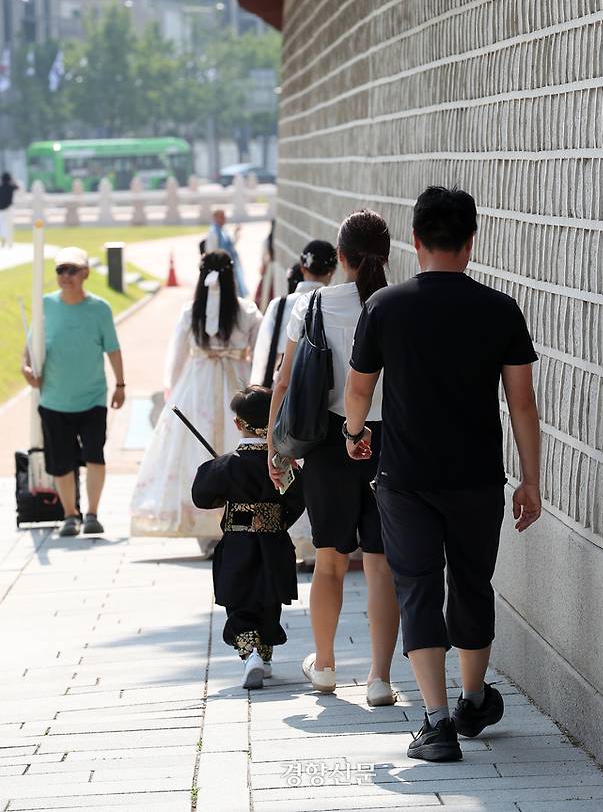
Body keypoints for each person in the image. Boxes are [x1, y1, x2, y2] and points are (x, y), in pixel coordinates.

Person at [344, 186, 541, 763]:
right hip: (479, 476)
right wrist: (530, 478)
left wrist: (355, 436)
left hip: (405, 477)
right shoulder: (499, 309)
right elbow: (522, 403)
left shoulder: (385, 306)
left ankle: (436, 721)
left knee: (419, 587)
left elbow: (359, 388)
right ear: (471, 241)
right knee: (473, 583)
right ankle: (474, 699)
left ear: (415, 240)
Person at [268, 210, 400, 707]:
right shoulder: (396, 304)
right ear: (386, 255)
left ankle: (324, 665)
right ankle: (380, 678)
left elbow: (284, 380)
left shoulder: (314, 304)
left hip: (328, 442)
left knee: (329, 560)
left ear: (340, 257)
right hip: (389, 441)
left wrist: (275, 448)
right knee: (382, 564)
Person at [130, 251, 262, 551]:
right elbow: (260, 354)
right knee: (237, 446)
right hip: (236, 380)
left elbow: (176, 358)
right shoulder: (247, 312)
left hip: (197, 383)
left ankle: (204, 528)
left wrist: (171, 391)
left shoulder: (191, 313)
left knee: (194, 450)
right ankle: (240, 519)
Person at [192, 386, 305, 689]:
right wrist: (275, 522)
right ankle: (265, 657)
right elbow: (297, 501)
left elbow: (202, 496)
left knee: (240, 602)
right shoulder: (283, 466)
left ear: (238, 424)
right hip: (274, 544)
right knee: (269, 602)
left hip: (238, 544)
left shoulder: (227, 465)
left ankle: (250, 655)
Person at [21, 246, 125, 537]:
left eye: (71, 270)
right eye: (60, 270)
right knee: (61, 461)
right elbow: (30, 348)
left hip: (92, 398)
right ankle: (70, 515)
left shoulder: (100, 309)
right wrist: (26, 370)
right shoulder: (46, 305)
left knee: (95, 455)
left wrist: (120, 385)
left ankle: (92, 513)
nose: (65, 276)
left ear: (85, 273)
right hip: (54, 399)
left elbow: (113, 350)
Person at [250, 240, 337, 388]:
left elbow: (262, 355)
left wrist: (256, 386)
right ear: (333, 271)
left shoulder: (279, 305)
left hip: (281, 389)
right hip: (322, 393)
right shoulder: (335, 305)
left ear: (303, 268)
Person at [205, 208, 247, 296]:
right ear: (216, 218)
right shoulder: (213, 232)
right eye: (222, 217)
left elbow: (230, 245)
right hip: (220, 266)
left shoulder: (223, 231)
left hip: (229, 264)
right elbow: (211, 251)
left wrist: (236, 233)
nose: (224, 219)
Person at [0, 171, 19, 248]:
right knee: (9, 226)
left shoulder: (1, 187)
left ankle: (4, 240)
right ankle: (9, 243)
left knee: (2, 226)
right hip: (9, 209)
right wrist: (13, 180)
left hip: (1, 210)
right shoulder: (11, 187)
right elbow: (17, 187)